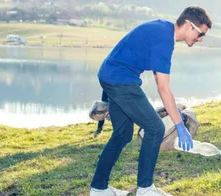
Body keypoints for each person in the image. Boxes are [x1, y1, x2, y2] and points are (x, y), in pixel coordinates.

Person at [90, 6, 212, 196]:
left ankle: (99, 189)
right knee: (155, 128)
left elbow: (159, 82)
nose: (201, 39)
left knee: (122, 134)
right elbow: (163, 88)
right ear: (189, 26)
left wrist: (175, 114)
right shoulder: (164, 41)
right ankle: (145, 189)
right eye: (201, 34)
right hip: (120, 80)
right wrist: (180, 127)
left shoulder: (163, 30)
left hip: (111, 76)